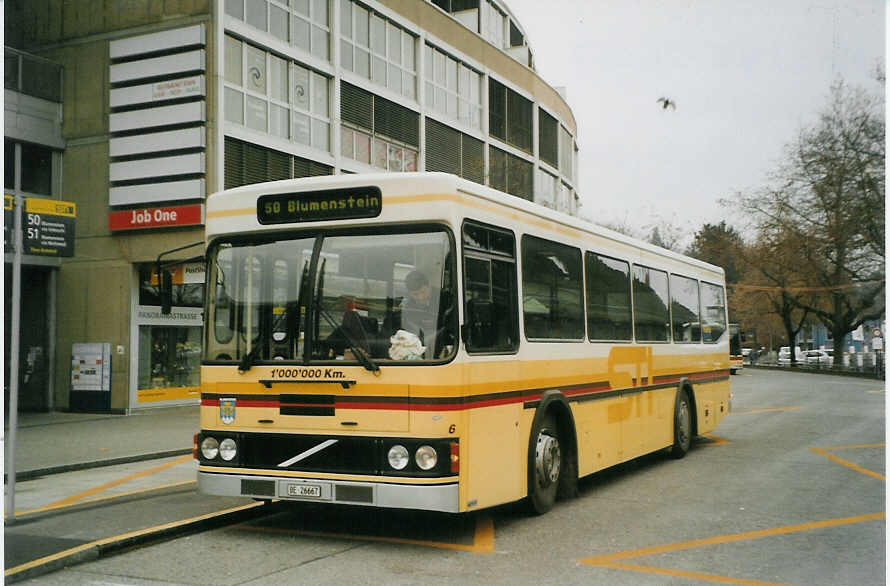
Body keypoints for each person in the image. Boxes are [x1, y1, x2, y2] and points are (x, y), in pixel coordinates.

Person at [400, 270, 454, 357]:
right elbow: (409, 330)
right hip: (419, 349)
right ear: (409, 293)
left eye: (423, 292)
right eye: (415, 294)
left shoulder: (446, 299)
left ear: (429, 286)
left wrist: (435, 336)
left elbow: (451, 328)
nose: (421, 297)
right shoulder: (409, 306)